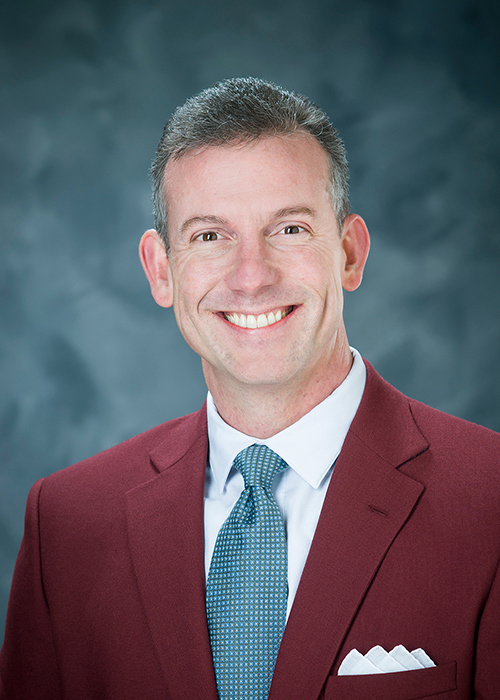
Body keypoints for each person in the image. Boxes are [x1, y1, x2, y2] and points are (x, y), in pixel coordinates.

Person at [1, 77, 499, 700]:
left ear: (349, 252)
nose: (251, 276)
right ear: (161, 271)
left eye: (288, 229)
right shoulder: (69, 526)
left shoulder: (491, 502)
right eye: (210, 236)